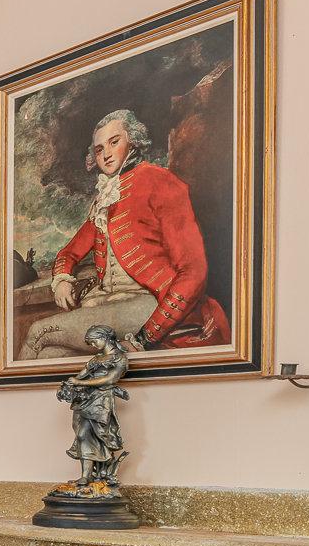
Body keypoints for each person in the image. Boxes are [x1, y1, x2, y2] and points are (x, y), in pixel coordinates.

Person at [19, 110, 230, 360]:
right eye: (98, 149)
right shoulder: (106, 197)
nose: (106, 154)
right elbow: (70, 251)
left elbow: (194, 272)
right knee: (49, 354)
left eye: (114, 142)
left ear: (133, 141)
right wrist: (62, 278)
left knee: (37, 331)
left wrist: (146, 336)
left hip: (150, 305)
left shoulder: (160, 181)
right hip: (107, 304)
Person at [59, 326, 130, 490]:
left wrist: (80, 383)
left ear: (105, 337)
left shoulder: (119, 358)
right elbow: (80, 375)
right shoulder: (95, 359)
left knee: (89, 434)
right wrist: (68, 385)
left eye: (94, 341)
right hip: (85, 400)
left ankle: (89, 475)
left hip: (102, 400)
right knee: (81, 434)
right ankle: (87, 475)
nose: (92, 345)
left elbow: (110, 379)